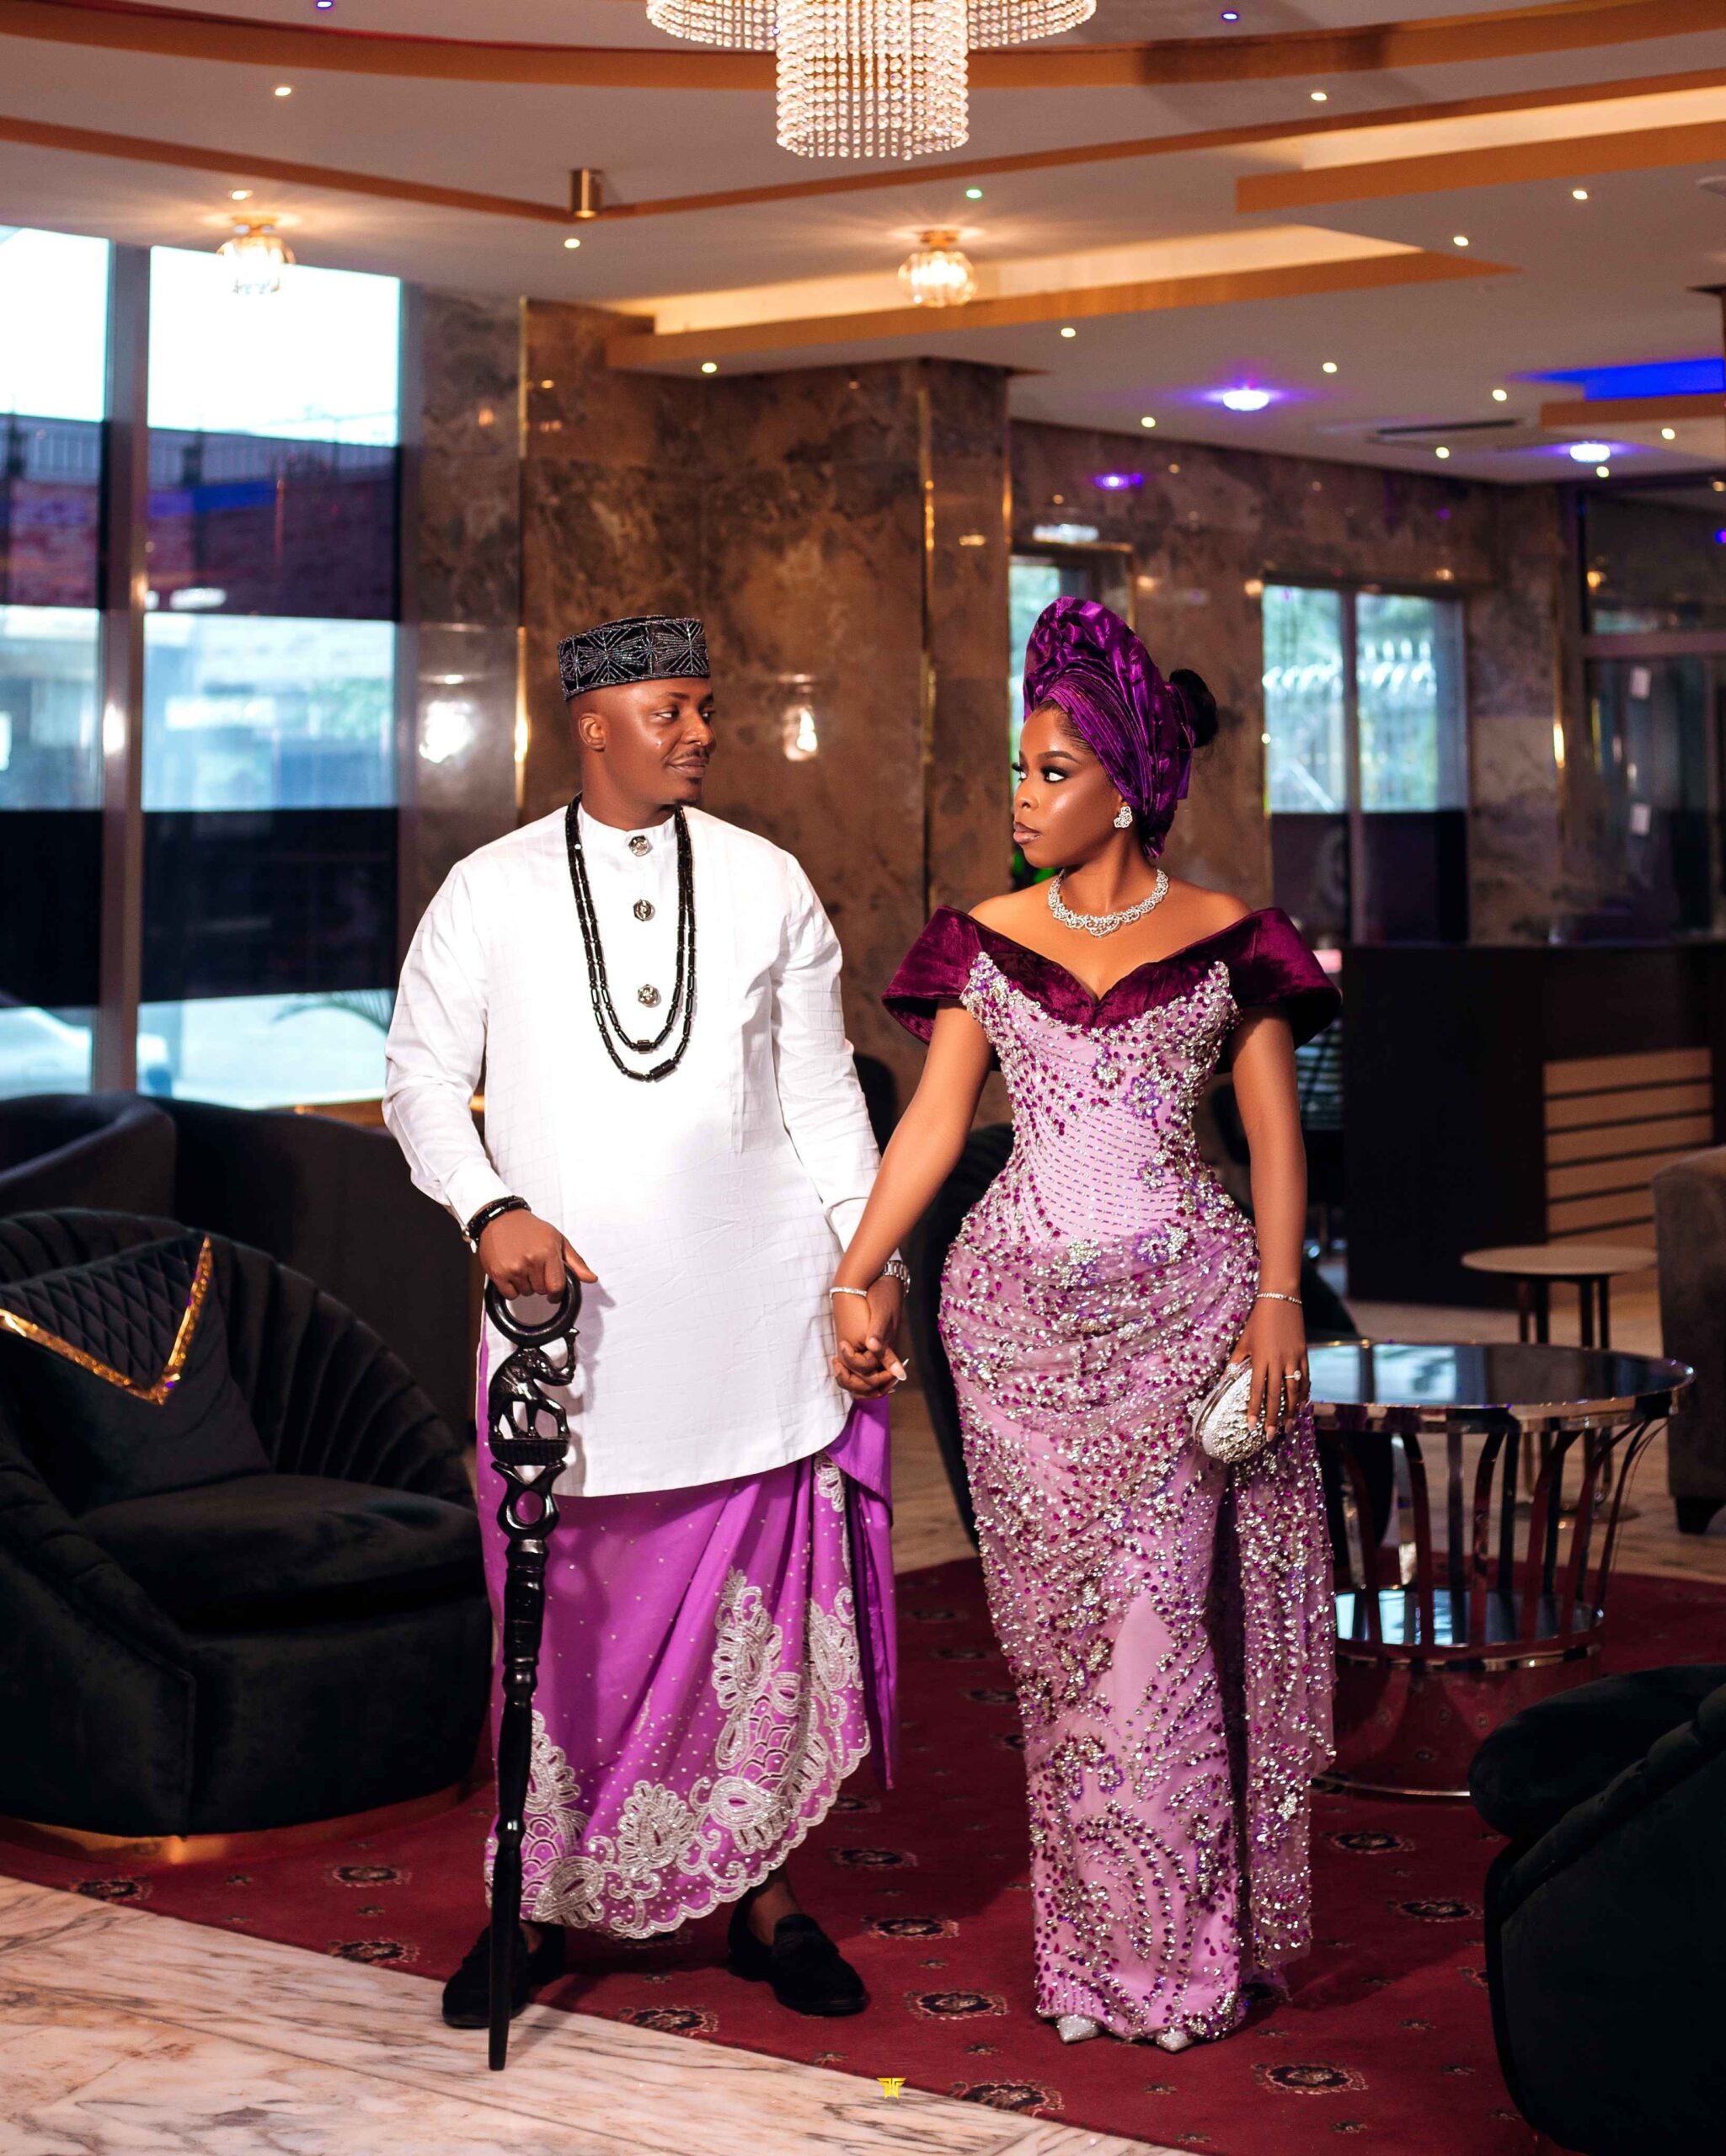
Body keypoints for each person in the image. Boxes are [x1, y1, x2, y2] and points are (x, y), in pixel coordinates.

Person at [828, 596, 1339, 2052]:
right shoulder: (982, 943)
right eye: (1018, 769)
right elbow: (934, 1129)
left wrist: (1277, 1300)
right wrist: (857, 1272)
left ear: (1125, 784)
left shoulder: (1232, 940)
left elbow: (1272, 1143)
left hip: (1181, 1319)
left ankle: (1179, 1964)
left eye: (1050, 771)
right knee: (1057, 1656)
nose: (1022, 795)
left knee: (1156, 1636)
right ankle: (1089, 1965)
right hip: (1008, 1335)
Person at [383, 613, 904, 2029]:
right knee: (564, 1623)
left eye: (705, 708)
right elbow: (418, 1079)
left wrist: (867, 1266)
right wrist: (492, 1210)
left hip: (757, 1318)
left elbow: (820, 1099)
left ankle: (764, 1897)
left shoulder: (765, 879)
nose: (700, 733)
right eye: (672, 709)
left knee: (753, 1629)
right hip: (570, 1335)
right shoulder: (489, 889)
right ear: (592, 723)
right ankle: (535, 1899)